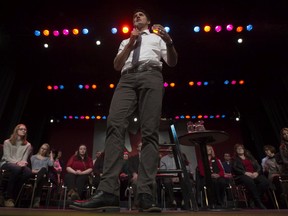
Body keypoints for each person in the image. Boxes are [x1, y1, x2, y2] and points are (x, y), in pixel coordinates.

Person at [69, 8, 178, 212]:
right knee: (114, 124)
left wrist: (169, 40)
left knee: (150, 133)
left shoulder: (157, 38)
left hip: (151, 75)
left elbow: (172, 62)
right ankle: (108, 192)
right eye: (134, 15)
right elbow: (117, 65)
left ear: (148, 20)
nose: (136, 16)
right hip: (127, 78)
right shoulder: (124, 41)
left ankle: (145, 194)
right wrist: (130, 43)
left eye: (141, 15)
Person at [0, 124, 33, 207]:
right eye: (21, 129)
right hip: (7, 163)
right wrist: (17, 163)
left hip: (20, 164)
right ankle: (8, 196)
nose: (23, 131)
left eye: (25, 129)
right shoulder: (7, 142)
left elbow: (25, 159)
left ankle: (15, 196)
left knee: (28, 172)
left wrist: (22, 163)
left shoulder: (28, 145)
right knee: (17, 169)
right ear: (16, 130)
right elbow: (7, 157)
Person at [231, 143, 269, 209]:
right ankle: (258, 202)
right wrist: (245, 172)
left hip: (254, 174)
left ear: (244, 149)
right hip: (242, 175)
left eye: (241, 148)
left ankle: (252, 198)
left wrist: (257, 172)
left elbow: (258, 166)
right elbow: (234, 168)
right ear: (236, 150)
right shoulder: (234, 159)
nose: (240, 149)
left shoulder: (250, 157)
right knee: (250, 182)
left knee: (265, 182)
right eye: (238, 148)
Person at [30, 143, 54, 208]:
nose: (43, 150)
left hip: (43, 174)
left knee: (43, 169)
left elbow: (51, 164)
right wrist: (37, 172)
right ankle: (36, 201)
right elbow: (30, 168)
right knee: (41, 179)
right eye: (42, 148)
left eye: (45, 149)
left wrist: (51, 155)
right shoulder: (33, 157)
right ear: (40, 148)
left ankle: (35, 185)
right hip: (33, 174)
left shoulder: (47, 159)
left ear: (47, 151)